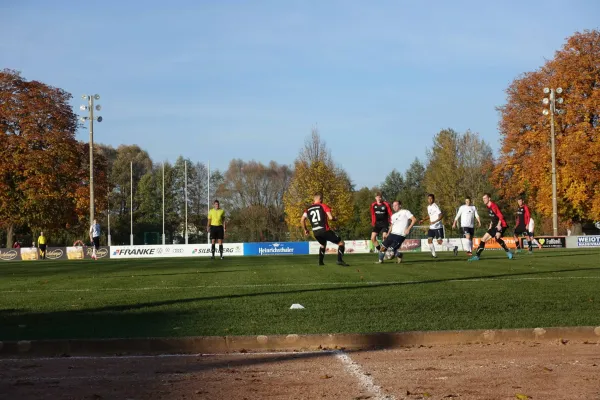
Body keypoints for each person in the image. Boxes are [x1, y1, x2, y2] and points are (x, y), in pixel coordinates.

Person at [301, 192, 349, 266]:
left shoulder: (308, 209)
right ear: (320, 199)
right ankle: (340, 260)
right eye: (322, 199)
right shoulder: (323, 206)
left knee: (323, 244)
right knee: (341, 243)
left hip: (315, 232)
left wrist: (305, 229)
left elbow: (302, 220)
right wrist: (335, 219)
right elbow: (330, 218)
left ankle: (320, 262)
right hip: (324, 230)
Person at [469, 193, 513, 261]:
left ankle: (508, 252)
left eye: (485, 198)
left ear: (489, 198)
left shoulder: (493, 206)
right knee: (483, 239)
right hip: (494, 225)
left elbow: (501, 216)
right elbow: (493, 218)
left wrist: (499, 225)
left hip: (501, 224)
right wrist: (490, 225)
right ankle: (477, 256)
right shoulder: (488, 207)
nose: (484, 200)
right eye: (483, 198)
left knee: (497, 237)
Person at [420, 194, 457, 258]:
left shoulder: (435, 206)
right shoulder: (428, 207)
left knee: (439, 242)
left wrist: (435, 221)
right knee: (429, 241)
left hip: (438, 227)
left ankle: (454, 247)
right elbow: (430, 215)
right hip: (432, 227)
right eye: (428, 198)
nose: (429, 200)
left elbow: (441, 215)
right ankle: (434, 255)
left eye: (431, 198)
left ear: (433, 199)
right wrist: (423, 220)